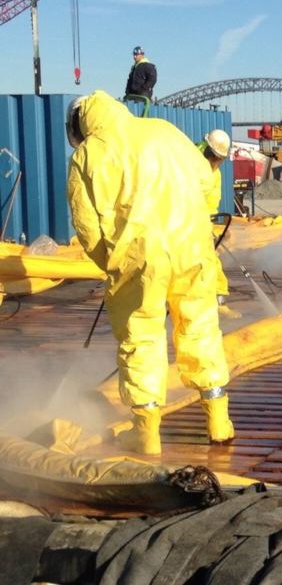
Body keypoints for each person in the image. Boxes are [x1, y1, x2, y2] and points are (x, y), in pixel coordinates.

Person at [65, 90, 234, 455]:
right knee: (201, 328)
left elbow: (86, 224)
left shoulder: (87, 154)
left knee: (141, 337)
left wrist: (112, 262)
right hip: (192, 248)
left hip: (140, 257)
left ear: (80, 123)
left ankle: (146, 433)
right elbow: (206, 183)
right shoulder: (165, 130)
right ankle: (219, 421)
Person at [197, 129, 240, 319]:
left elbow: (212, 201)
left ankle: (219, 304)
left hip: (200, 224)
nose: (215, 162)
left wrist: (209, 223)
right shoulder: (190, 162)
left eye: (219, 159)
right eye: (214, 157)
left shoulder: (216, 173)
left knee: (212, 262)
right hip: (182, 223)